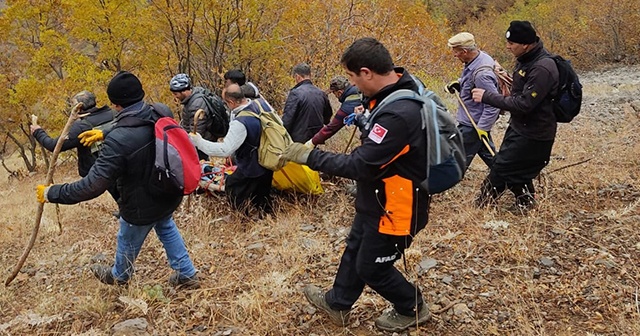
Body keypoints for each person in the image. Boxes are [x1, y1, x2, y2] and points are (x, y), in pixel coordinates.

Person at [280, 38, 431, 332]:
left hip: (397, 206)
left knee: (372, 267)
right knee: (355, 248)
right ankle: (338, 303)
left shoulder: (399, 113)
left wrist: (310, 156)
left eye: (351, 77)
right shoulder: (395, 92)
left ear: (366, 72)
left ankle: (412, 306)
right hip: (377, 197)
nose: (351, 84)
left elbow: (359, 165)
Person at [36, 71, 199, 288]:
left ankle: (120, 276)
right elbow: (138, 120)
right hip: (167, 191)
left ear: (115, 104)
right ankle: (186, 273)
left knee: (127, 237)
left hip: (140, 205)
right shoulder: (160, 111)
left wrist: (51, 193)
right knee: (166, 225)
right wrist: (105, 131)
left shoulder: (118, 141)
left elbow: (92, 186)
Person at [471, 21, 559, 210]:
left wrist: (487, 96)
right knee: (514, 170)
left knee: (501, 169)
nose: (507, 47)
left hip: (535, 134)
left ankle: (481, 208)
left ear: (526, 44)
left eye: (512, 44)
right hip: (520, 128)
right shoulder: (526, 60)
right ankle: (526, 204)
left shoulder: (542, 68)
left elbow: (525, 104)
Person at [189, 83, 273, 217]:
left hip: (250, 166)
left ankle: (242, 220)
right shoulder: (261, 104)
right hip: (268, 162)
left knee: (233, 188)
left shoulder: (241, 122)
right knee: (262, 195)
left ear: (231, 102)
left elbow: (225, 150)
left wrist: (199, 142)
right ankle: (266, 217)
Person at [31, 90, 120, 204]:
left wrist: (38, 132)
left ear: (79, 107)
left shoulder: (82, 126)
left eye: (73, 105)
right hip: (119, 162)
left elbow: (54, 145)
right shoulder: (114, 114)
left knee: (118, 193)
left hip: (101, 169)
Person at [445, 32, 501, 170]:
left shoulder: (482, 74)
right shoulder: (481, 57)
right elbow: (471, 81)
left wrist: (482, 128)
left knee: (455, 166)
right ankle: (520, 186)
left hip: (473, 126)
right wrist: (459, 83)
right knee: (494, 160)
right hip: (474, 124)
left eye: (456, 52)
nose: (454, 55)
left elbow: (493, 104)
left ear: (464, 51)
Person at [169, 73, 226, 160]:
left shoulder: (196, 105)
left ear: (183, 91)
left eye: (176, 94)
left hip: (202, 144)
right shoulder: (193, 97)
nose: (175, 96)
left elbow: (196, 132)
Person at [282, 63, 332, 143]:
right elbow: (327, 116)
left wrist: (282, 136)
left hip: (298, 140)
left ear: (297, 76)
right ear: (310, 75)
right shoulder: (321, 93)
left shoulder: (295, 93)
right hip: (316, 139)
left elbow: (288, 119)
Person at [306, 75, 362, 147]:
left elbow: (331, 128)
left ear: (339, 92)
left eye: (334, 93)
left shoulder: (348, 105)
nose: (335, 96)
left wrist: (311, 142)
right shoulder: (359, 91)